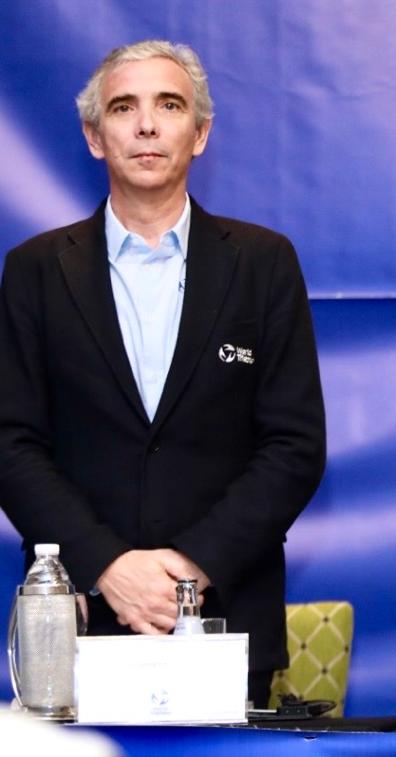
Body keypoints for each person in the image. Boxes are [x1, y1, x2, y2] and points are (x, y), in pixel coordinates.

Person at [0, 40, 326, 707]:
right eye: (124, 107)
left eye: (169, 105)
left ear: (200, 133)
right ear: (95, 137)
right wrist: (107, 567)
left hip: (226, 618)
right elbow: (11, 442)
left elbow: (294, 445)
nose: (147, 124)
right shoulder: (34, 270)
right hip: (79, 619)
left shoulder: (263, 263)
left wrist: (188, 568)